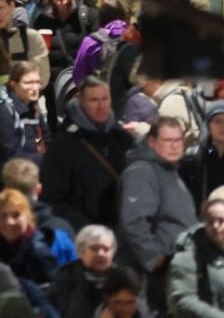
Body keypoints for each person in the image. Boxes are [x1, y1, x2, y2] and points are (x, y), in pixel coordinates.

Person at [119, 117, 197, 313]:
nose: (174, 146)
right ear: (152, 142)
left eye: (178, 140)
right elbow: (134, 222)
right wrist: (154, 259)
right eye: (168, 140)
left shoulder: (169, 170)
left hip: (175, 268)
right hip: (155, 276)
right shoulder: (142, 171)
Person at [168, 188, 224, 318]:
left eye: (222, 221)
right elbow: (182, 300)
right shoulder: (190, 248)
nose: (216, 227)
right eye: (210, 221)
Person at [49, 227, 123, 318]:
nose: (101, 254)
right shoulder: (65, 278)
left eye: (106, 249)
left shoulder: (125, 277)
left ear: (113, 252)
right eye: (94, 249)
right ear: (81, 252)